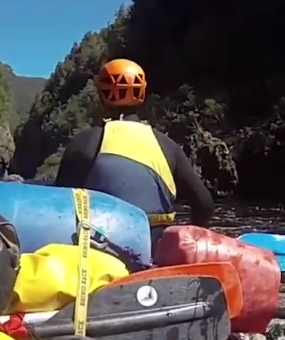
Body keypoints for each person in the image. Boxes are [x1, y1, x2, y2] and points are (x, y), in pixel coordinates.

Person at [54, 59, 215, 242]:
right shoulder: (167, 146)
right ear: (142, 94)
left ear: (100, 94)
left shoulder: (84, 143)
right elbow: (205, 205)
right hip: (154, 253)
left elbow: (59, 209)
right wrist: (187, 243)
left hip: (101, 252)